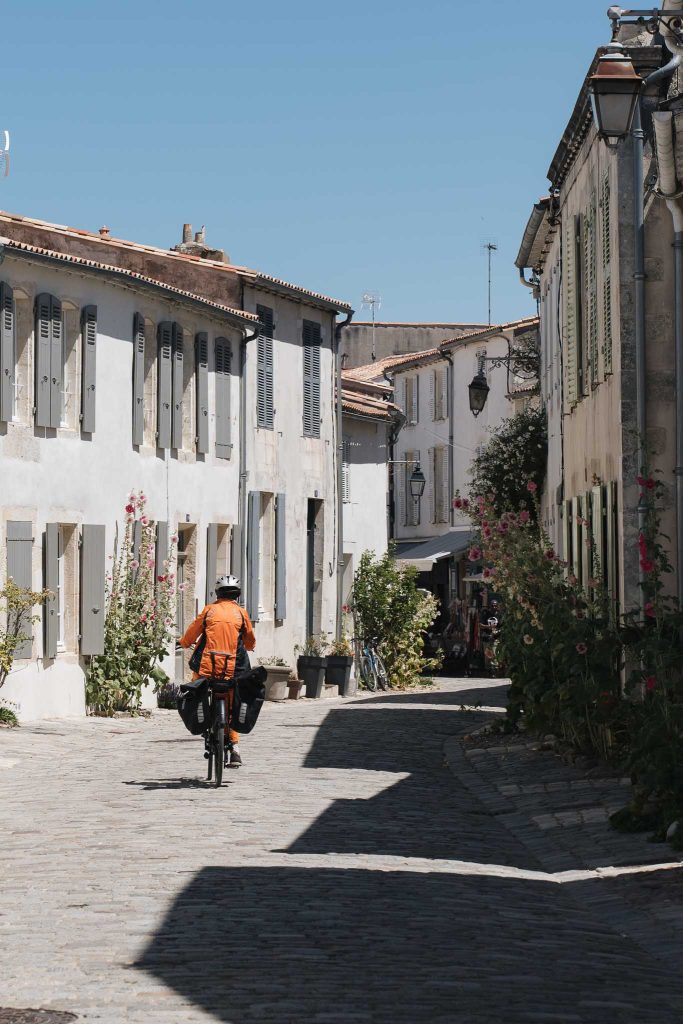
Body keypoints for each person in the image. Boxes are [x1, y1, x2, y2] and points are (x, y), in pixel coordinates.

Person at [179, 574, 256, 768]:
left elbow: (192, 632)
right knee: (233, 704)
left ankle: (203, 722)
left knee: (198, 692)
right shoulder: (241, 614)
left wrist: (184, 643)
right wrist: (248, 645)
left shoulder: (209, 611)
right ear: (237, 595)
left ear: (218, 593)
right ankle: (235, 749)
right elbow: (249, 640)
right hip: (234, 669)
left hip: (207, 667)